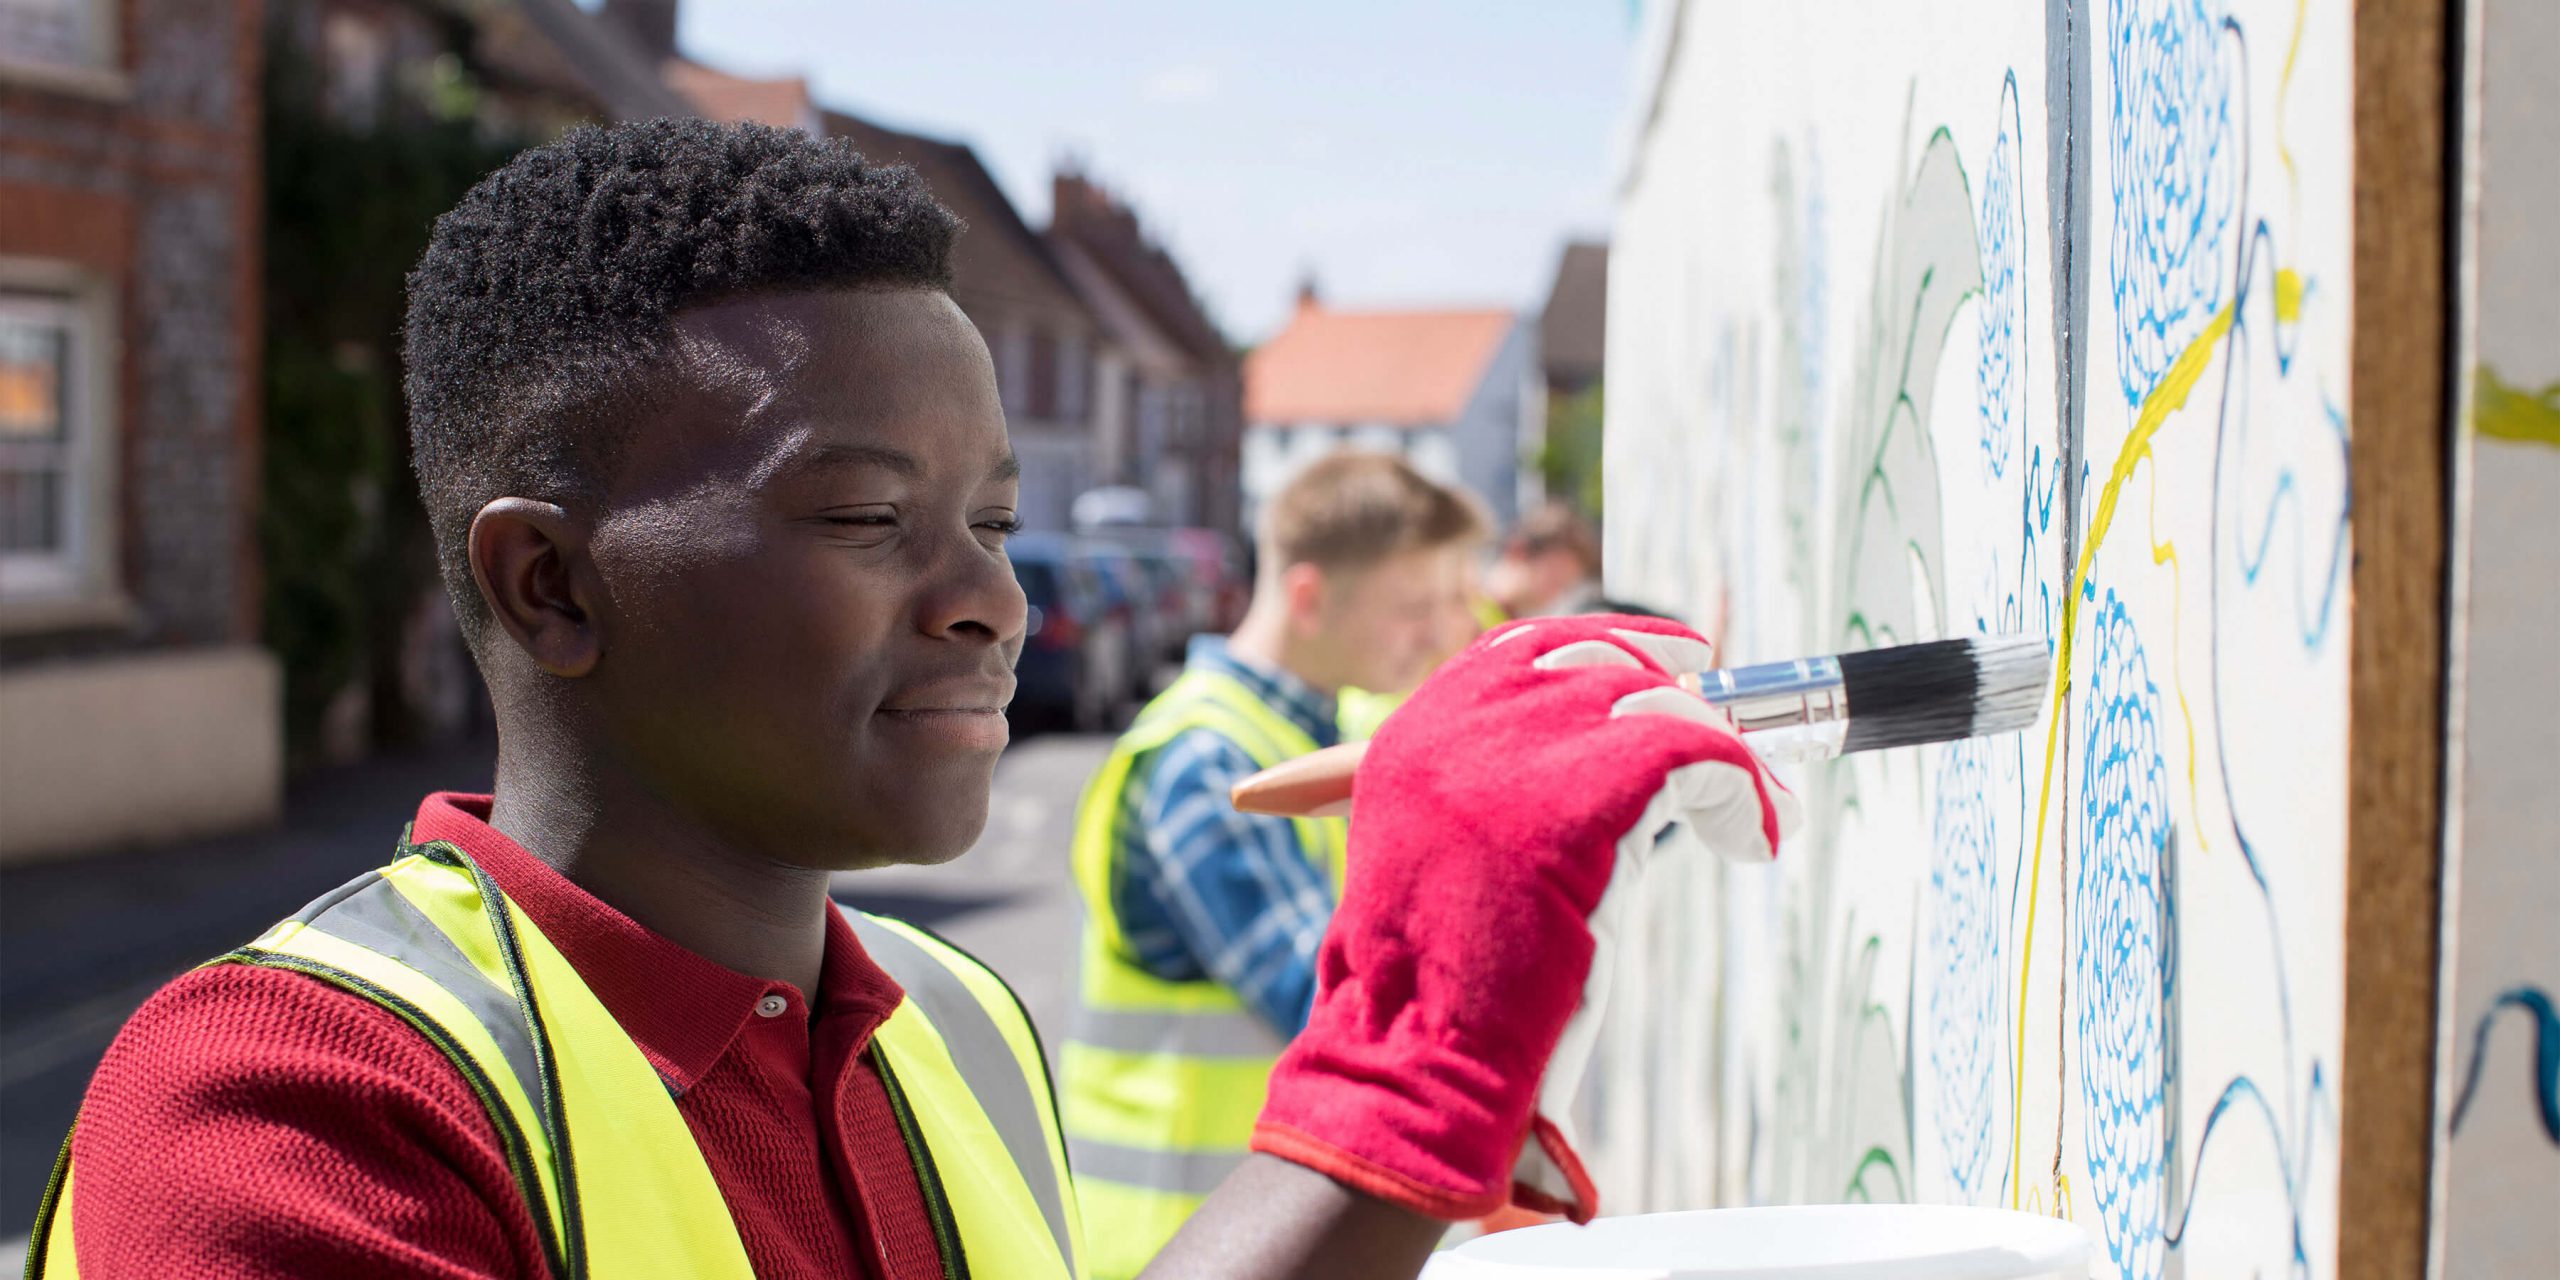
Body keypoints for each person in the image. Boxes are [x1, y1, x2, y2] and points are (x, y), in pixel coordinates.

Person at [29, 120, 1791, 1280]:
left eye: (998, 522)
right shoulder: (278, 1102)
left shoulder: (947, 1022)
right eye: (871, 519)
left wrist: (1397, 1188)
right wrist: (1399, 1086)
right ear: (549, 583)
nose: (994, 601)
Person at [1064, 451, 1485, 1273]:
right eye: (1414, 607)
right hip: (1183, 1245)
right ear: (1308, 596)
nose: (1444, 632)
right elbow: (1342, 1013)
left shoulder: (1336, 726)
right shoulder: (1208, 767)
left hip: (1274, 1242)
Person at [1481, 502, 1604, 623]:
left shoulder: (1506, 621)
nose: (1555, 594)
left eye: (1564, 587)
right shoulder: (1471, 621)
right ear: (1518, 551)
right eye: (1553, 580)